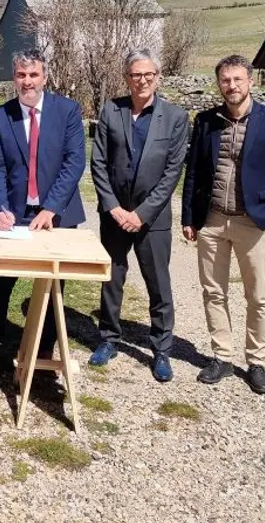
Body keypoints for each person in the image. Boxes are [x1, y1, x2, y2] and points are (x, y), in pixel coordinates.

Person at [182, 54, 265, 394]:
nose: (230, 86)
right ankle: (221, 356)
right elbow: (195, 173)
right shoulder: (206, 121)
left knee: (259, 296)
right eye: (225, 80)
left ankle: (257, 362)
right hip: (214, 220)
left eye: (237, 80)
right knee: (213, 292)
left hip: (254, 222)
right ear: (219, 83)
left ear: (251, 81)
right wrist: (190, 216)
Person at [0, 49, 86, 369]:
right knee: (0, 281)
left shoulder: (68, 111)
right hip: (17, 214)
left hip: (57, 215)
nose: (27, 81)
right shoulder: (0, 116)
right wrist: (0, 208)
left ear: (45, 77)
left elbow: (74, 162)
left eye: (33, 74)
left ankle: (44, 348)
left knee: (51, 285)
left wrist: (50, 208)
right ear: (14, 78)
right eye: (21, 75)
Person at [89, 49, 189, 382]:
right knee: (112, 279)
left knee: (158, 283)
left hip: (153, 219)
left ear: (158, 77)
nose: (142, 80)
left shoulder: (174, 117)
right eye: (135, 75)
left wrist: (142, 214)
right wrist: (114, 208)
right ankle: (109, 339)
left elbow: (172, 172)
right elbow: (99, 163)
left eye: (148, 75)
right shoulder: (111, 111)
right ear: (127, 78)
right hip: (114, 215)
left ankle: (161, 349)